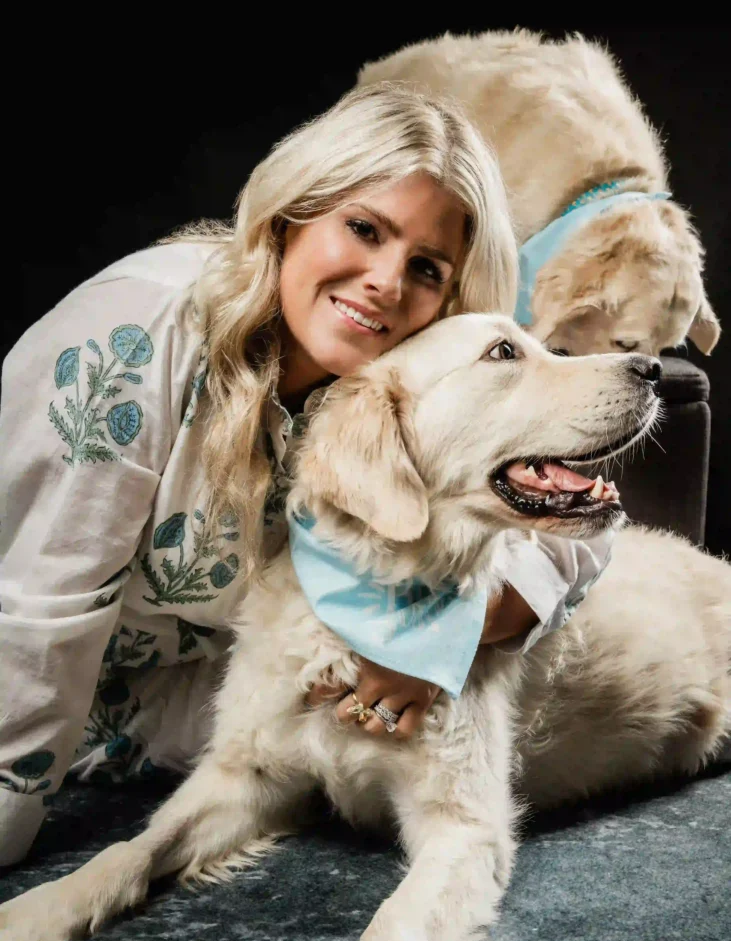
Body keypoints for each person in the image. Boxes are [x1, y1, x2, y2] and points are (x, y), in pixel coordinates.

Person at [0, 84, 612, 867]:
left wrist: (448, 636)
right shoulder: (134, 337)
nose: (386, 281)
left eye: (426, 267)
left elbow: (581, 528)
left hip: (171, 706)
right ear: (292, 214)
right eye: (363, 229)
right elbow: (41, 606)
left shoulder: (401, 372)